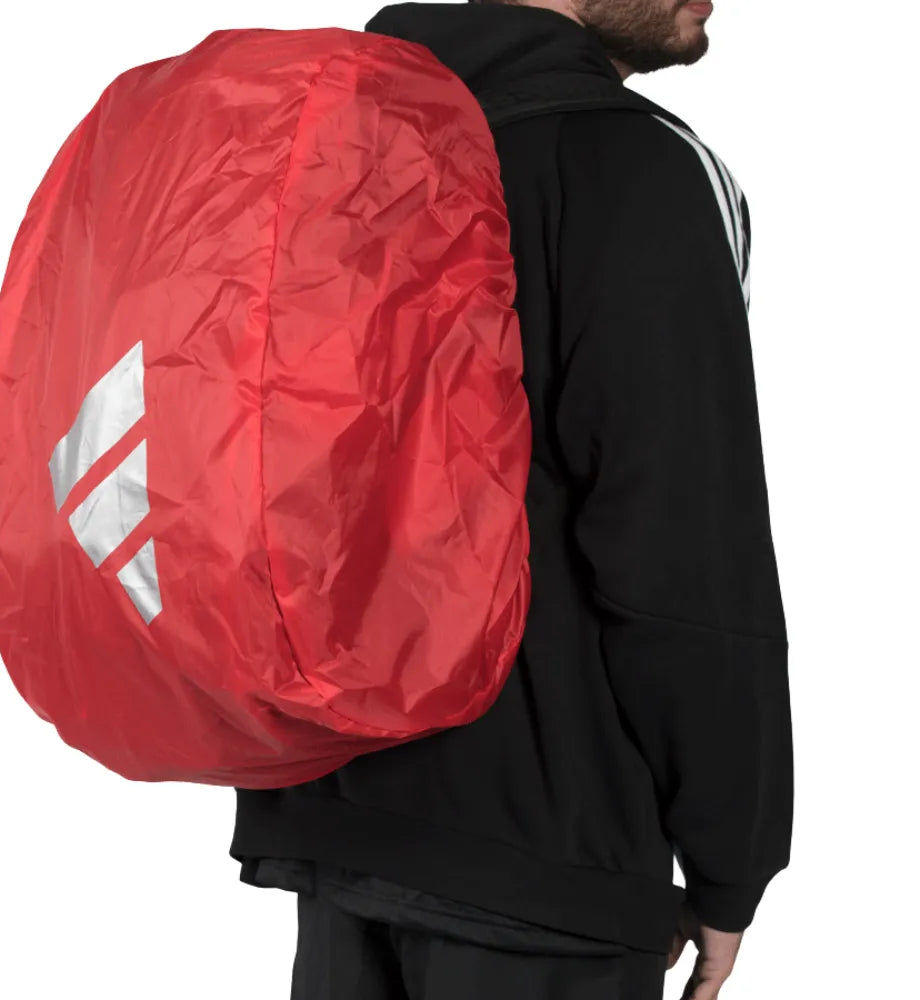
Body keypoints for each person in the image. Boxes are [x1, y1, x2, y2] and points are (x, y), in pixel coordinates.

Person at [229, 3, 793, 998]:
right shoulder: (633, 167)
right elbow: (682, 547)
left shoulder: (341, 148)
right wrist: (730, 855)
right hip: (547, 857)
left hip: (337, 826)